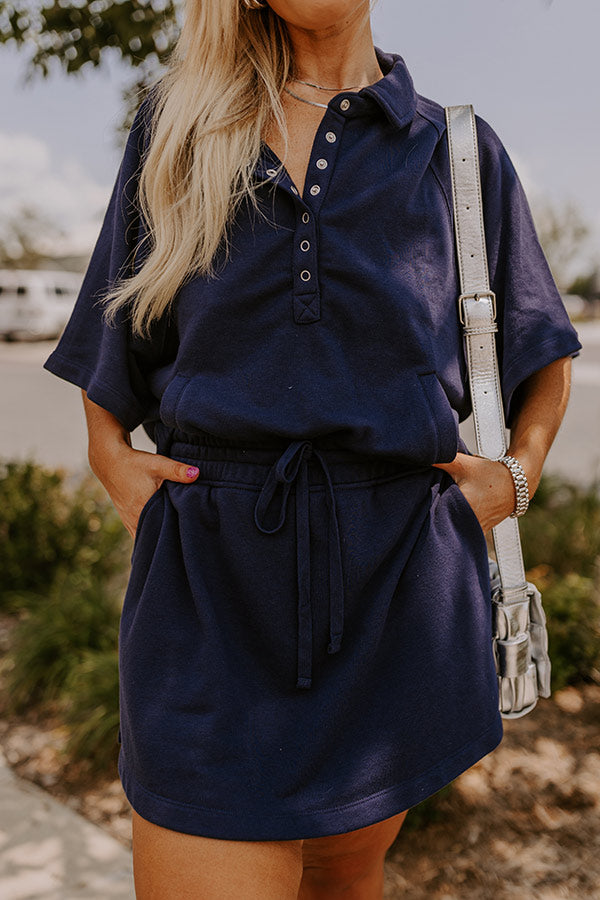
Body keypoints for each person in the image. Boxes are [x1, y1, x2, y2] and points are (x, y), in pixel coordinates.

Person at [43, 0, 582, 897]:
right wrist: (111, 459)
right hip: (209, 597)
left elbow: (541, 351)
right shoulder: (177, 129)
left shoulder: (455, 149)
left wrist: (511, 484)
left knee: (343, 877)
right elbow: (111, 343)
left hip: (397, 592)